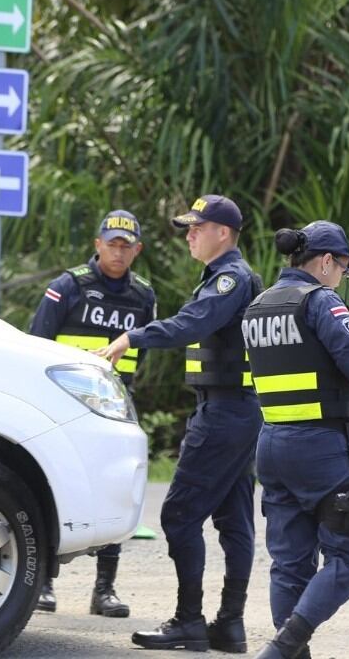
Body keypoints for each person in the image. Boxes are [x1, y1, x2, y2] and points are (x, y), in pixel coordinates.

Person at [98, 195, 263, 653]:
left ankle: (190, 620)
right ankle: (229, 625)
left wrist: (133, 337)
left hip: (226, 413)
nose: (189, 235)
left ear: (223, 233)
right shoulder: (222, 277)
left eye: (197, 227)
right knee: (233, 519)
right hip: (234, 411)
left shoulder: (230, 278)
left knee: (179, 515)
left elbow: (193, 323)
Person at [242, 221, 349, 659]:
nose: (343, 279)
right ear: (327, 261)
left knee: (290, 566)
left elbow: (301, 363)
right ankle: (280, 651)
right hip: (320, 448)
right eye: (345, 270)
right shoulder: (321, 301)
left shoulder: (259, 305)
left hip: (272, 444)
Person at [29, 209, 157, 618]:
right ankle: (43, 584)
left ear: (137, 250)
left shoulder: (144, 295)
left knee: (115, 489)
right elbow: (36, 343)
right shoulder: (68, 286)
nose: (118, 252)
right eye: (112, 244)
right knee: (50, 488)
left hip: (114, 407)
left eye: (126, 246)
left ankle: (105, 590)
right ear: (98, 245)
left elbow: (141, 355)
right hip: (61, 403)